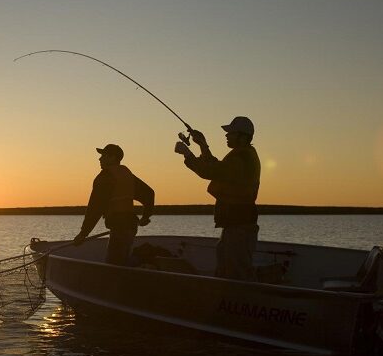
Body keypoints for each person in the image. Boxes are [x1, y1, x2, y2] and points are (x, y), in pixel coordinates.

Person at [175, 116, 261, 281]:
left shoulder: (241, 158)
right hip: (235, 225)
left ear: (242, 136)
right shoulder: (240, 156)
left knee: (236, 275)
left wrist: (188, 154)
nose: (227, 136)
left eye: (231, 133)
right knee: (226, 271)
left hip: (240, 227)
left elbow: (210, 171)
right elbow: (216, 167)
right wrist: (202, 144)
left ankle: (238, 304)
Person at [73, 144, 155, 266]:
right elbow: (149, 193)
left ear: (113, 158)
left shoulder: (105, 178)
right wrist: (146, 216)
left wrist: (83, 234)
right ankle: (143, 265)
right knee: (122, 260)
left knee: (114, 264)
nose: (99, 159)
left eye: (103, 155)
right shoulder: (127, 175)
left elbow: (94, 209)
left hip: (120, 227)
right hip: (131, 226)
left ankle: (146, 264)